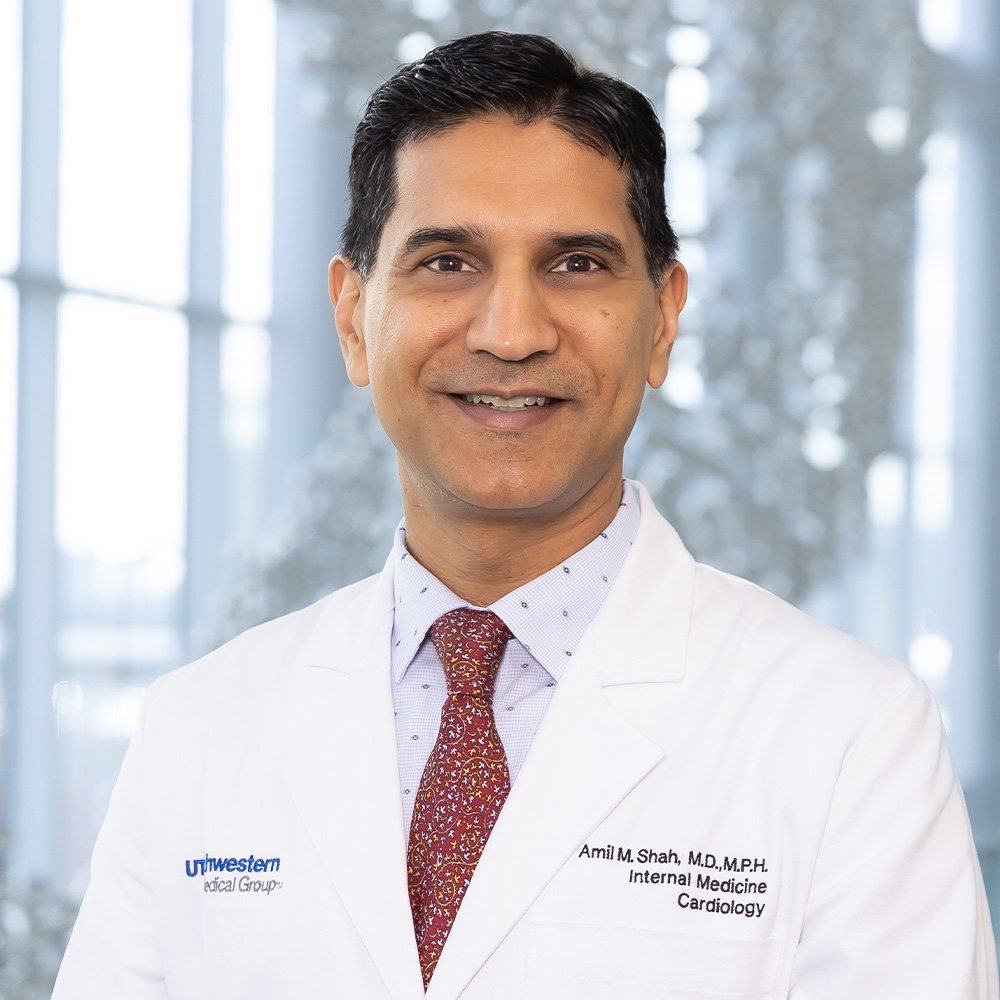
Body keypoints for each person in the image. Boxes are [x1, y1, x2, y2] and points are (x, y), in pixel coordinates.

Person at [54, 31, 997, 1000]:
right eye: (447, 261)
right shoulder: (197, 728)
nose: (510, 334)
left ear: (663, 318)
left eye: (576, 263)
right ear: (352, 318)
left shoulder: (851, 738)